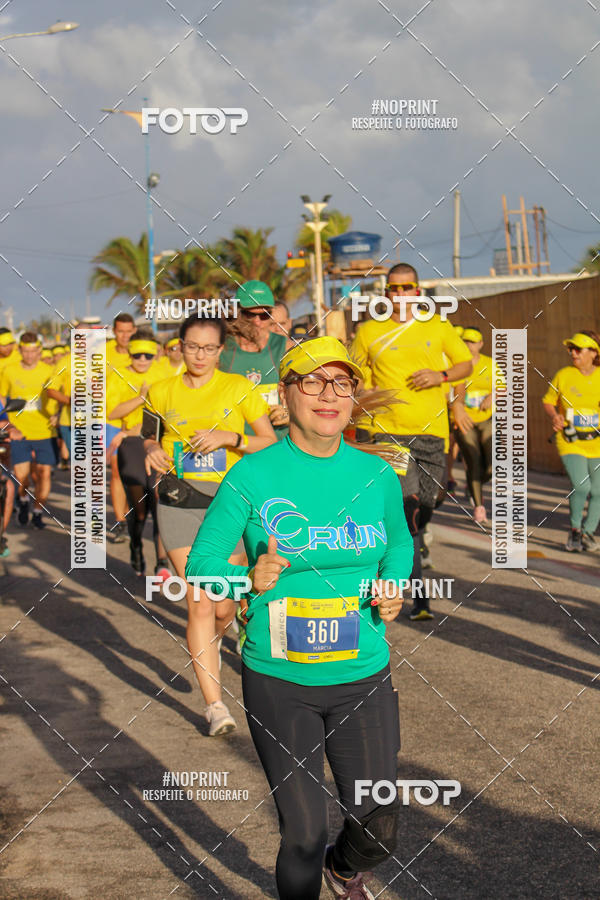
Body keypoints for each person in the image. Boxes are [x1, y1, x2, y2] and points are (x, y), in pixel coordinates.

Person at [186, 336, 412, 900]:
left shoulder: (377, 475)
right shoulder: (252, 476)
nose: (328, 395)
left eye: (341, 383)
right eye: (312, 381)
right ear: (285, 396)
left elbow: (400, 545)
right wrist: (244, 580)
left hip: (363, 673)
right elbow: (202, 562)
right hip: (280, 679)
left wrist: (393, 585)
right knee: (304, 834)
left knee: (379, 829)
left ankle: (345, 870)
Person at [145, 315, 276, 735]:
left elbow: (270, 442)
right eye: (191, 346)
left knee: (224, 606)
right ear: (178, 347)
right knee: (200, 602)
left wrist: (229, 439)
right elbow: (147, 435)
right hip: (178, 501)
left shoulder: (238, 389)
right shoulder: (161, 390)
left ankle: (218, 635)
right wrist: (150, 448)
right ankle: (215, 706)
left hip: (230, 506)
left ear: (221, 351)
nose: (199, 355)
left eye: (208, 348)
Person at [351, 263, 472, 620]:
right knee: (409, 509)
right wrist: (367, 393)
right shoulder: (369, 331)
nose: (401, 295)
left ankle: (397, 552)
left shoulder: (437, 324)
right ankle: (417, 595)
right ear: (386, 293)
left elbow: (465, 364)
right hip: (389, 431)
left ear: (418, 291)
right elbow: (357, 378)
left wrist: (441, 375)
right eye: (394, 289)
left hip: (432, 431)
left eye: (408, 288)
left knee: (429, 501)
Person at [106, 331, 167, 576]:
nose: (142, 359)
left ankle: (162, 561)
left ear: (156, 354)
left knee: (160, 503)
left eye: (148, 355)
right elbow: (112, 413)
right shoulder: (117, 375)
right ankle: (135, 545)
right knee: (139, 510)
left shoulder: (164, 374)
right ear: (129, 353)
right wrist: (141, 398)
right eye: (137, 354)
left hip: (158, 442)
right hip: (131, 445)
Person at [542, 331, 600, 552]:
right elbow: (548, 401)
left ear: (593, 352)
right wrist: (554, 415)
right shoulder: (564, 374)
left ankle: (588, 533)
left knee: (598, 491)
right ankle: (575, 529)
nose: (573, 353)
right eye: (570, 349)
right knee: (581, 485)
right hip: (570, 440)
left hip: (596, 443)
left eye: (578, 349)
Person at [219, 280, 294, 439]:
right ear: (238, 312)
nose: (257, 321)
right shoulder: (221, 350)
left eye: (264, 315)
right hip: (235, 450)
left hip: (276, 446)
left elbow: (308, 395)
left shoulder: (286, 348)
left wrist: (290, 413)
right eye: (249, 314)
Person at [0, 333, 58, 529]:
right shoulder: (9, 371)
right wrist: (7, 421)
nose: (30, 355)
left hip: (45, 431)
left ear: (40, 351)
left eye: (34, 351)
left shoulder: (50, 370)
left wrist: (57, 414)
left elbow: (59, 394)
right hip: (19, 432)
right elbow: (1, 396)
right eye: (26, 351)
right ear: (20, 350)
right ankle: (23, 500)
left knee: (44, 474)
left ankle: (38, 511)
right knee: (22, 475)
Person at [450, 327, 502, 524]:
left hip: (486, 418)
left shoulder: (490, 364)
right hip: (464, 421)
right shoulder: (456, 365)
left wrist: (492, 396)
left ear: (481, 344)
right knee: (473, 460)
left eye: (472, 342)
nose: (469, 345)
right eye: (465, 341)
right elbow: (448, 391)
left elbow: (502, 387)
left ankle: (475, 483)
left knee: (490, 466)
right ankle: (479, 506)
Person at [107, 313, 137, 544]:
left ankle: (131, 512)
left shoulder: (145, 351)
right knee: (116, 470)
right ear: (114, 332)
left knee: (134, 476)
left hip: (138, 422)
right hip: (111, 420)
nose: (125, 336)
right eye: (120, 331)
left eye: (129, 331)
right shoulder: (103, 353)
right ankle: (120, 521)